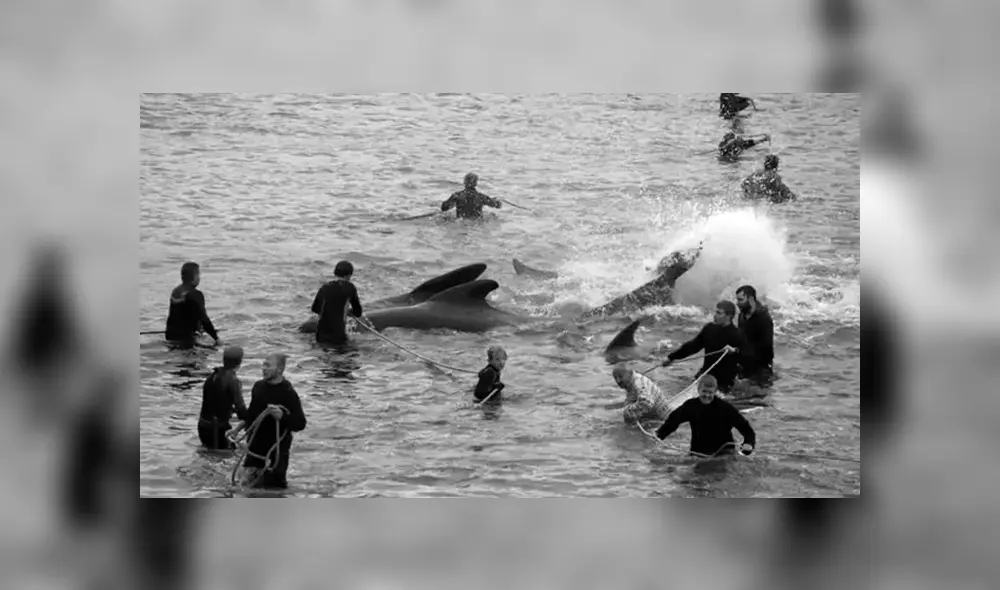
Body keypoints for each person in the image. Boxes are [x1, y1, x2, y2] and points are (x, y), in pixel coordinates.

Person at [231, 353, 307, 489]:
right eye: (263, 364)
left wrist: (282, 417)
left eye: (267, 365)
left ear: (279, 369)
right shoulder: (258, 386)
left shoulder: (288, 392)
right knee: (245, 490)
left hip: (276, 452)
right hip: (255, 448)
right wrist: (238, 428)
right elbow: (252, 414)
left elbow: (300, 423)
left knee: (275, 492)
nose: (263, 368)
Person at [655, 374, 756, 457]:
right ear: (698, 390)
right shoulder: (690, 406)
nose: (707, 395)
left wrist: (749, 443)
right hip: (698, 453)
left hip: (724, 454)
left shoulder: (725, 408)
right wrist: (659, 435)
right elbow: (673, 421)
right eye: (704, 391)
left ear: (715, 392)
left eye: (710, 392)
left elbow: (746, 428)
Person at [660, 301, 748, 393]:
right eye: (715, 312)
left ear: (729, 316)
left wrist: (735, 351)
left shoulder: (737, 334)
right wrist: (671, 357)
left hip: (724, 383)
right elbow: (693, 346)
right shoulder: (709, 329)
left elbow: (749, 354)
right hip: (706, 375)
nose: (715, 315)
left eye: (719, 313)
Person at [197, 346, 248, 450]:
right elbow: (241, 409)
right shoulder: (233, 381)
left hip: (202, 427)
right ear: (240, 362)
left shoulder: (212, 376)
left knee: (210, 454)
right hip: (217, 430)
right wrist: (250, 420)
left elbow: (214, 402)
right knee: (227, 456)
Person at [310, 260, 367, 346]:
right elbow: (358, 312)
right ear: (349, 275)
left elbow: (315, 309)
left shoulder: (324, 287)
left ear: (335, 272)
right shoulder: (350, 288)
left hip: (321, 334)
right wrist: (348, 312)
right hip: (338, 334)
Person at [165, 262, 221, 346]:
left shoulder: (176, 291)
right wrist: (216, 338)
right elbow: (204, 319)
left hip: (170, 335)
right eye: (198, 275)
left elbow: (180, 316)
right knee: (212, 351)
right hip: (187, 338)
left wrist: (198, 328)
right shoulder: (195, 294)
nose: (199, 278)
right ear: (193, 277)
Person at [735, 285, 775, 387]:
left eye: (740, 300)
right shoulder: (742, 315)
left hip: (761, 369)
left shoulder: (763, 319)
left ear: (751, 299)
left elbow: (767, 350)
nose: (737, 303)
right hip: (744, 364)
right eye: (737, 300)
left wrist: (740, 352)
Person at [606, 363, 671, 425]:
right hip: (655, 417)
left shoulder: (639, 383)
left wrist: (628, 411)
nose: (618, 381)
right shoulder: (630, 384)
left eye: (620, 376)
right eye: (615, 378)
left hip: (665, 420)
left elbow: (647, 403)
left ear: (630, 373)